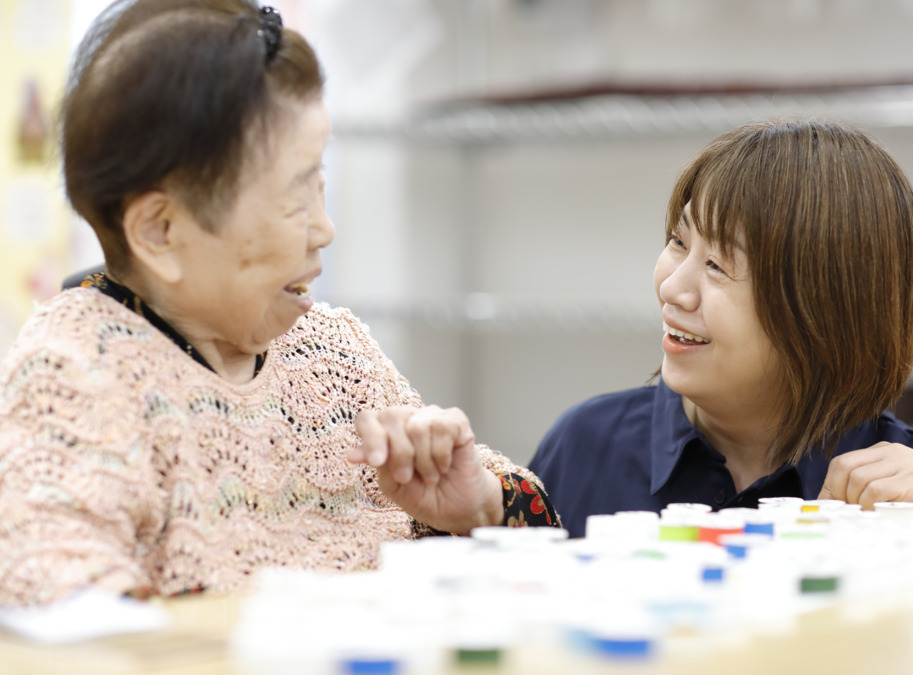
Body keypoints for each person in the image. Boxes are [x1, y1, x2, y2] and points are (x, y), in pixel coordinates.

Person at [0, 0, 557, 607]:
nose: (325, 230)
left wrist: (475, 504)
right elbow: (56, 594)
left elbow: (537, 538)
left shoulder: (331, 351)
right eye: (295, 200)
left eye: (322, 185)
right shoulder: (78, 373)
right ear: (161, 231)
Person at [529, 118, 913, 538]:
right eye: (678, 240)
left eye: (718, 265)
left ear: (826, 310)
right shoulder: (586, 444)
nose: (673, 288)